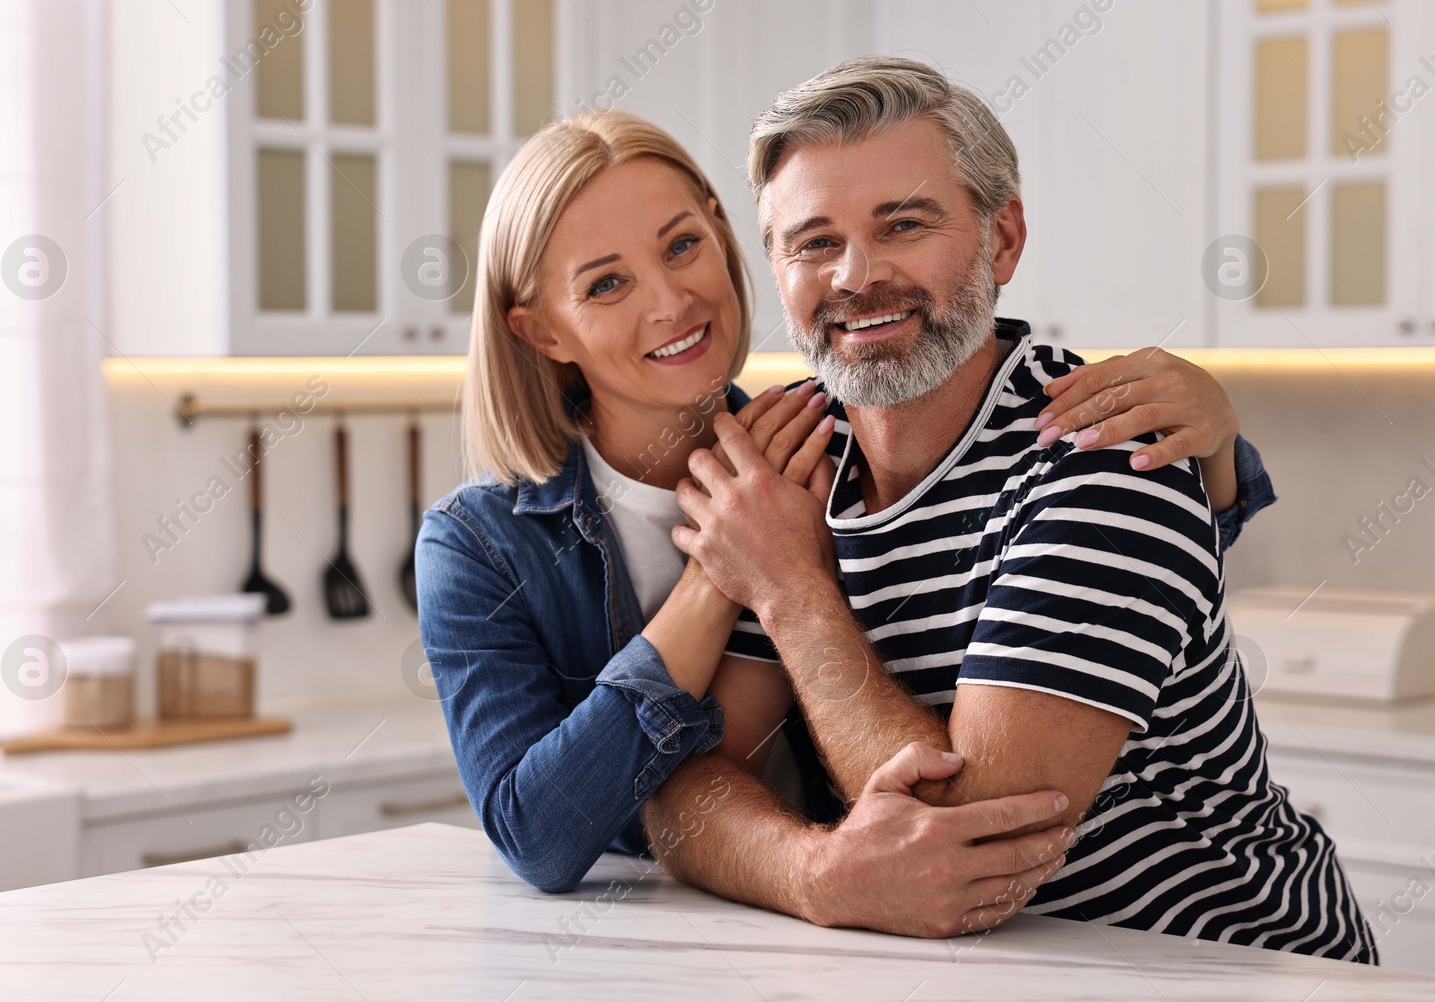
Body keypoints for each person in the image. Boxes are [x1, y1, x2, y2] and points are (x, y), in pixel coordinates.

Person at [415, 108, 1273, 934]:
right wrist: (733, 575)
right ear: (539, 330)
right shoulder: (509, 538)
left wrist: (1219, 458)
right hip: (760, 939)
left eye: (682, 245)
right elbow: (620, 807)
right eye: (605, 283)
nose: (670, 300)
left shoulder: (809, 452)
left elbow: (974, 840)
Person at [642, 56, 1373, 962]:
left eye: (902, 223)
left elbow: (977, 849)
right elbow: (681, 789)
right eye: (812, 242)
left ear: (1005, 239)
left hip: (1230, 969)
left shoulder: (1107, 458)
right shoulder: (788, 455)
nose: (855, 276)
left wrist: (791, 588)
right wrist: (814, 874)